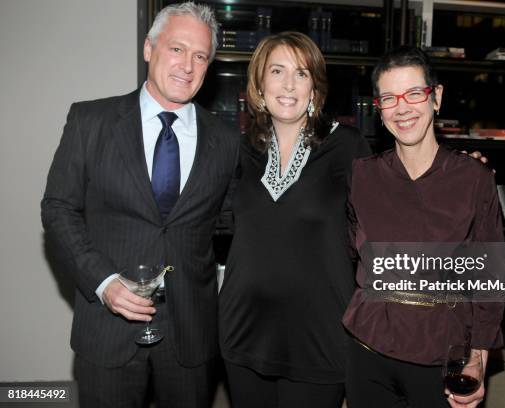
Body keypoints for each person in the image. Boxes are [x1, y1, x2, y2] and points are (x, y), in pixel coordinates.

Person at [41, 3, 238, 407]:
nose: (188, 65)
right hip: (107, 327)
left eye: (200, 56)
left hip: (191, 333)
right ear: (149, 49)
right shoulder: (90, 121)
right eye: (176, 49)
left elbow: (234, 221)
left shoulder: (226, 141)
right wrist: (103, 282)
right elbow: (58, 208)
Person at [342, 46, 505, 408]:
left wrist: (479, 359)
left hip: (440, 354)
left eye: (414, 93)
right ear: (379, 108)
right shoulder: (361, 175)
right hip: (368, 349)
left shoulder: (473, 179)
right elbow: (347, 253)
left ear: (437, 97)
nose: (402, 108)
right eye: (389, 98)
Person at [217, 31, 372, 408]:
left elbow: (387, 225)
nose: (288, 85)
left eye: (302, 74)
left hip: (320, 339)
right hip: (243, 332)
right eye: (277, 71)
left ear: (315, 89)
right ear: (258, 86)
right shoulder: (236, 150)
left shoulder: (348, 147)